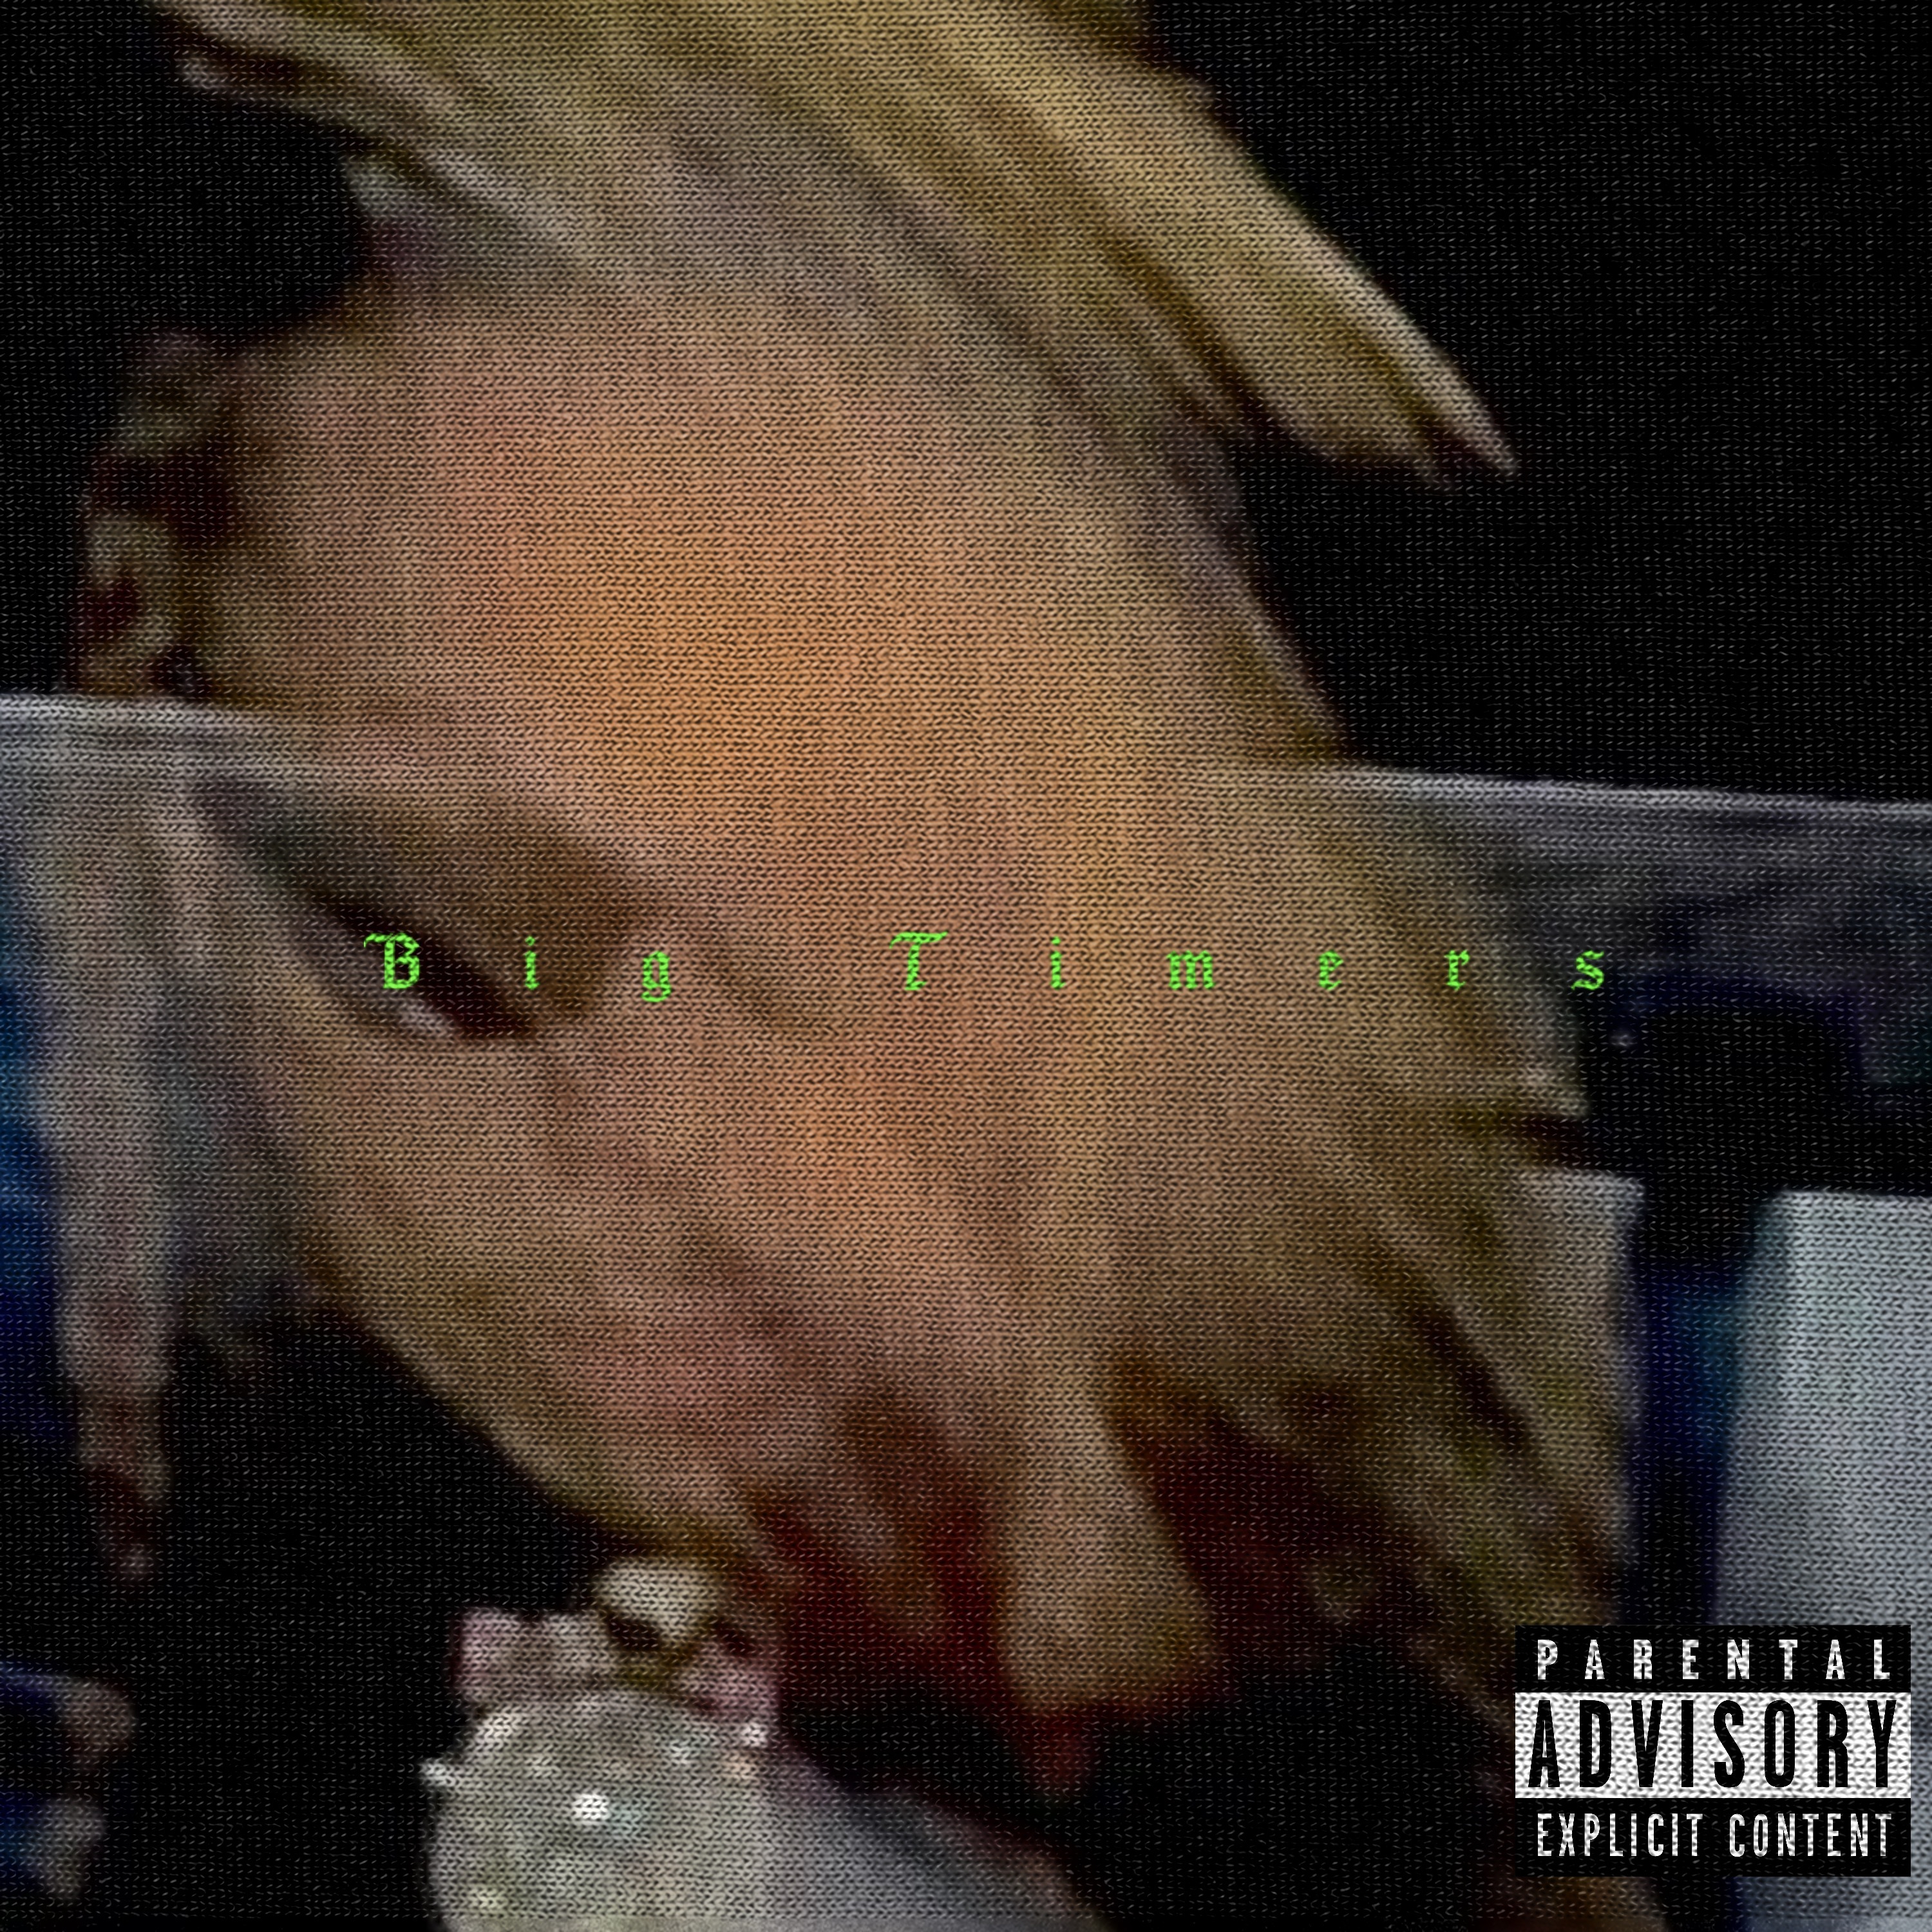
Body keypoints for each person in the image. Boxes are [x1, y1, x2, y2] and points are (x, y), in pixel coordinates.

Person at [67, 1, 1657, 1922]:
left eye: (864, 910)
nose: (655, 1137)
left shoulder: (1745, 1444)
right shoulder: (279, 1648)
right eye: (440, 962)